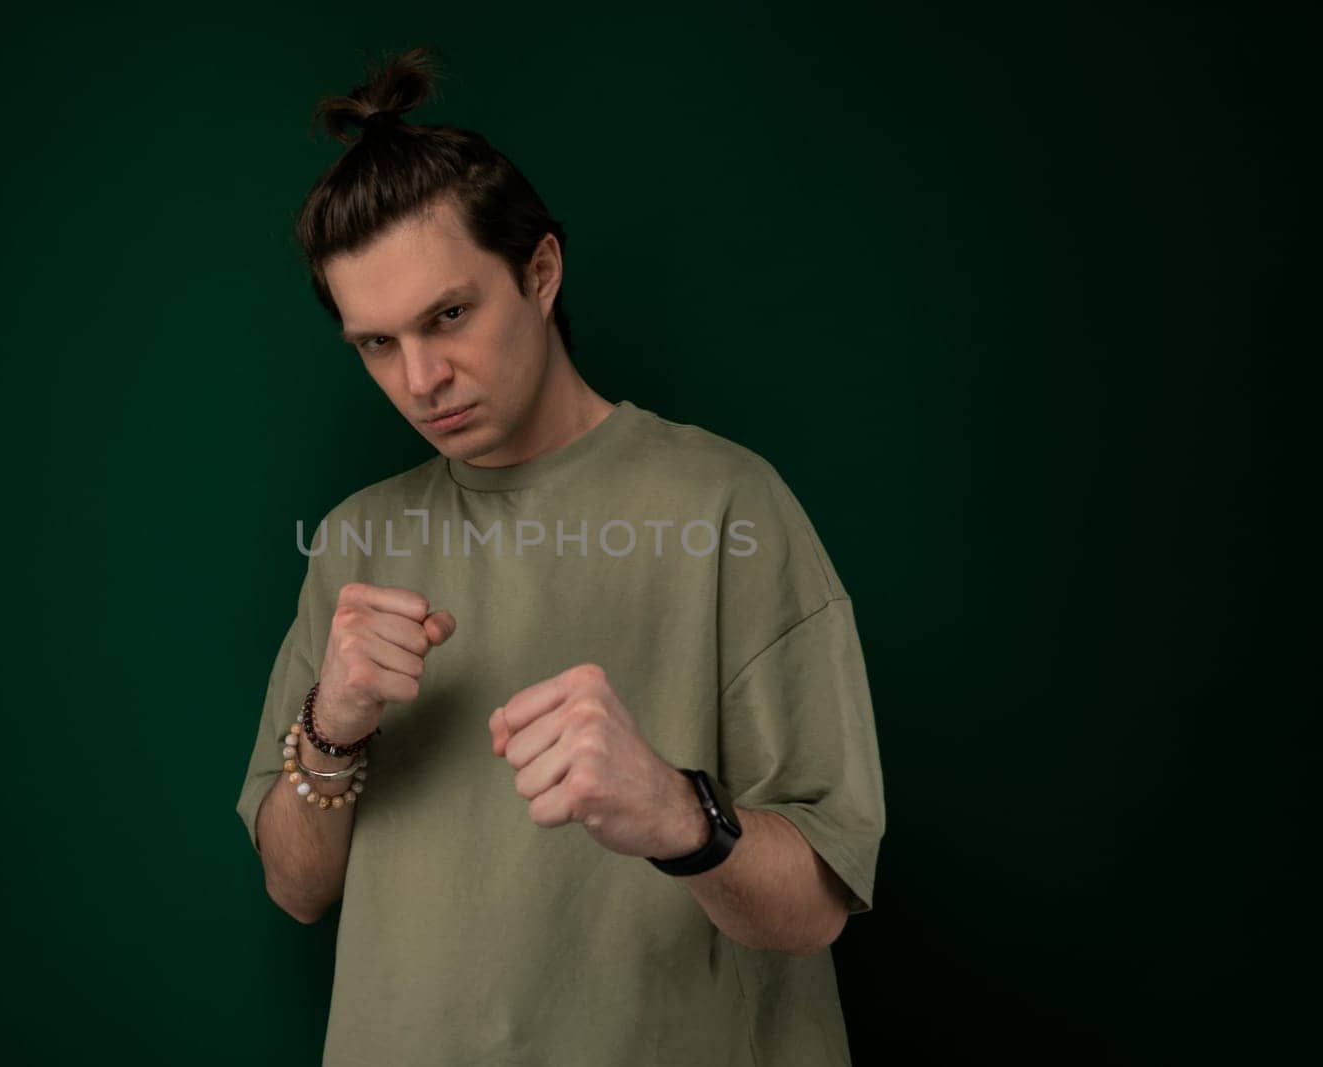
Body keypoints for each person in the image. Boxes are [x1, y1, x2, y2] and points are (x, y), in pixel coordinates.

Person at [235, 46, 885, 1067]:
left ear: (539, 271)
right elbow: (294, 885)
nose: (421, 378)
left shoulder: (728, 503)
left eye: (448, 315)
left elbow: (816, 909)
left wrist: (676, 812)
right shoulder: (357, 538)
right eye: (376, 343)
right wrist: (331, 724)